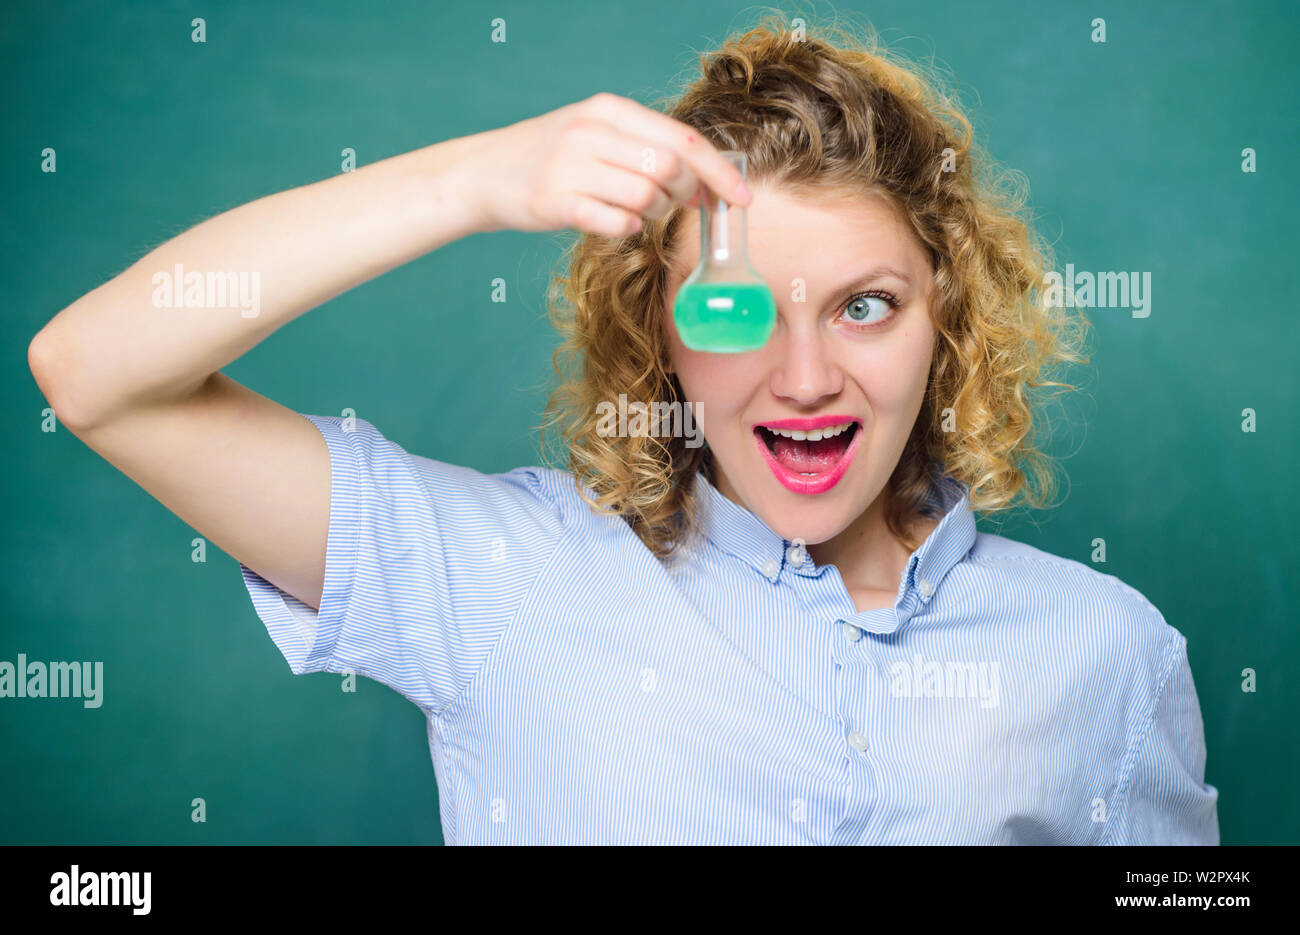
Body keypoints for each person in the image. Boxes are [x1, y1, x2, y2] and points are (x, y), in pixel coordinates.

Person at [27, 17, 1219, 844]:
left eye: (865, 305)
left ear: (943, 318)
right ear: (660, 325)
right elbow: (95, 372)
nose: (803, 376)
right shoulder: (499, 578)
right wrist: (474, 183)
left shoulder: (1106, 651)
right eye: (734, 309)